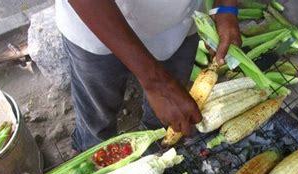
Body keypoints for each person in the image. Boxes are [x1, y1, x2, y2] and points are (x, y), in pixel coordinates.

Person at [56, 0, 242, 151]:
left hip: (180, 22)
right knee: (97, 116)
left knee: (167, 116)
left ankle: (158, 145)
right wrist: (156, 83)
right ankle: (91, 155)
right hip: (98, 25)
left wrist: (226, 6)